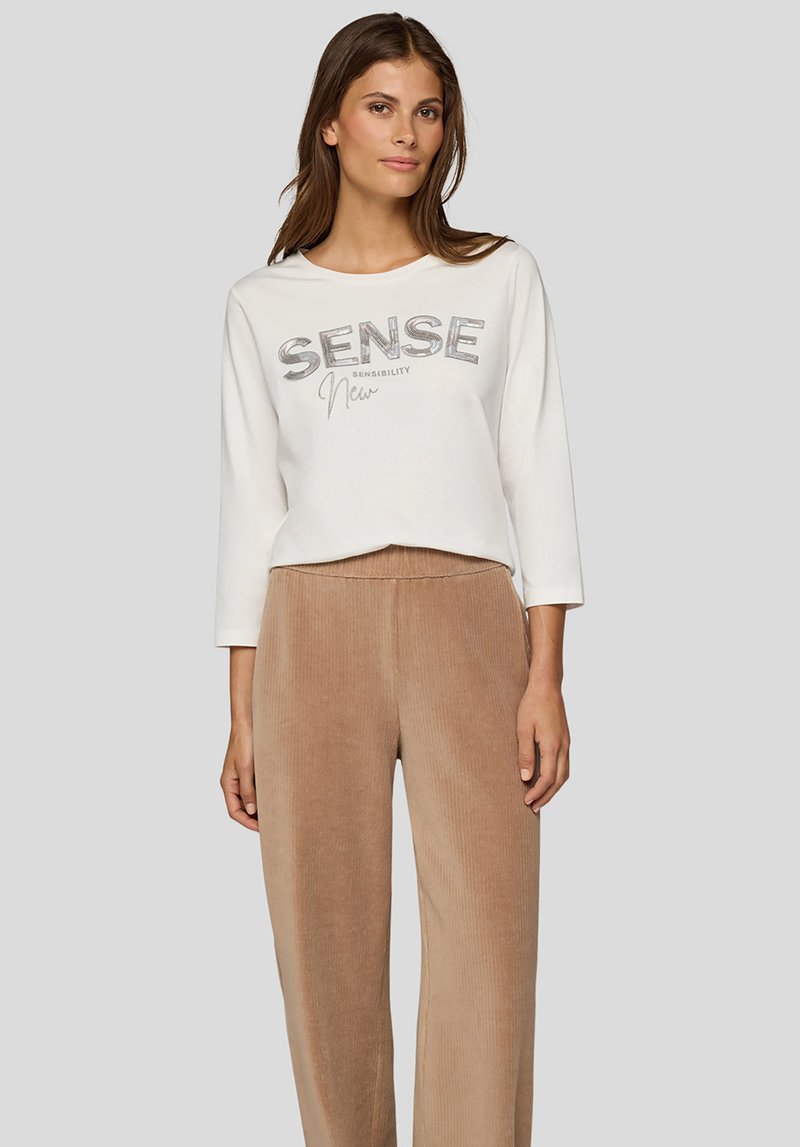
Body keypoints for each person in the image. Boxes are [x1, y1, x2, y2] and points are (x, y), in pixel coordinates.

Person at [214, 12, 585, 1146]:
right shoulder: (263, 304)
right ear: (330, 124)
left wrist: (545, 674)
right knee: (321, 940)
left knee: (487, 938)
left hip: (467, 616)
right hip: (309, 621)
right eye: (381, 107)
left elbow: (538, 471)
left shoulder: (499, 276)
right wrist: (241, 711)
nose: (408, 134)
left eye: (428, 111)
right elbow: (249, 510)